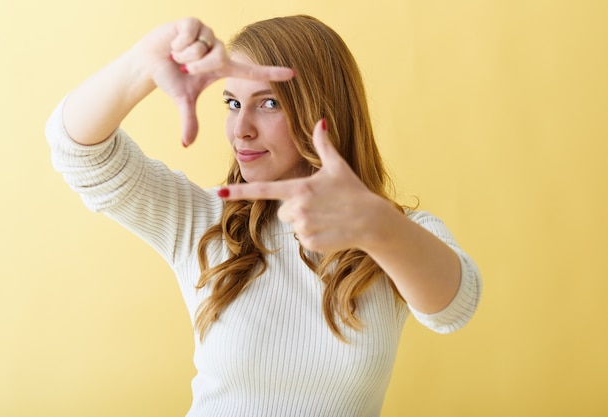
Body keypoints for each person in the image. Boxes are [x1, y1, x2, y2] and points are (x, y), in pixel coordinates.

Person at [46, 15, 482, 417]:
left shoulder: (395, 235)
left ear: (323, 111)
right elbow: (77, 153)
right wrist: (142, 63)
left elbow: (454, 307)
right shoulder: (202, 221)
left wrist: (377, 226)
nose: (241, 129)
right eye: (233, 103)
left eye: (268, 103)